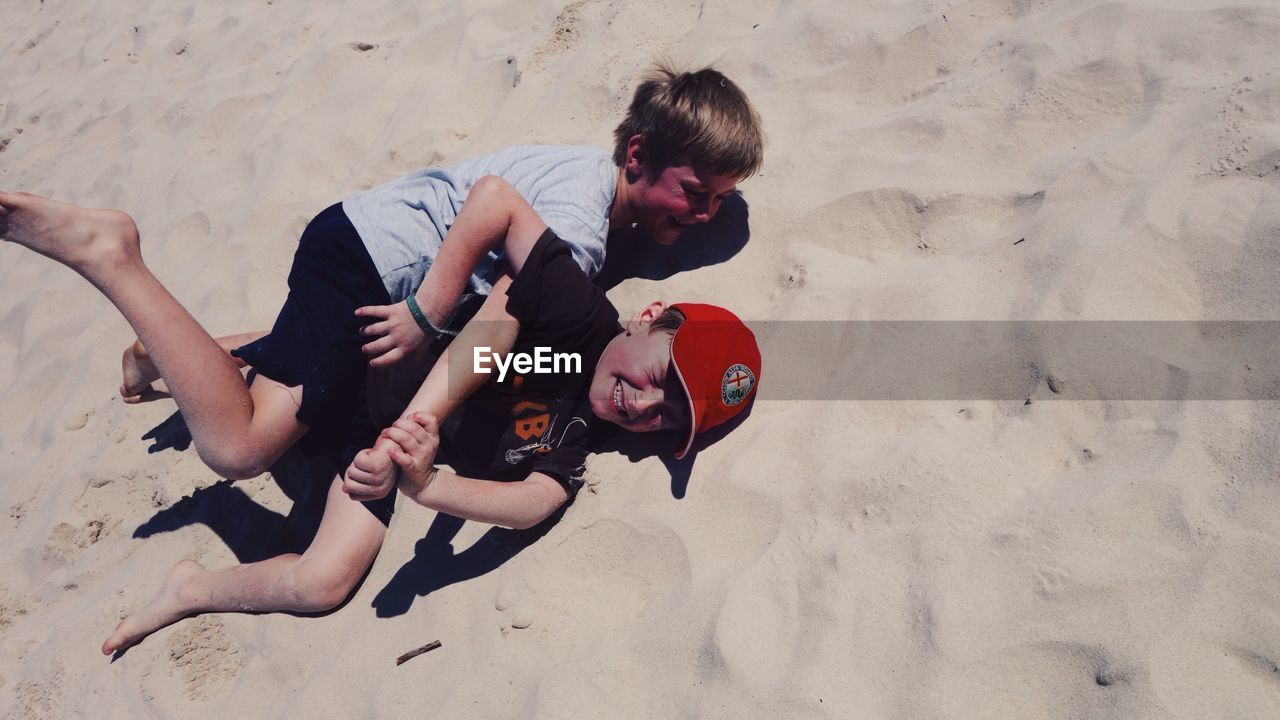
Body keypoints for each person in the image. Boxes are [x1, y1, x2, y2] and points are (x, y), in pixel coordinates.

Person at [0, 173, 762, 653]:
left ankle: (188, 588)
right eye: (662, 378)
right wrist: (429, 372)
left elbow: (533, 501)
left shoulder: (577, 433)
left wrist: (427, 483)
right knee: (236, 445)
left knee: (322, 584)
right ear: (650, 320)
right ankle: (113, 255)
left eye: (669, 420)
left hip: (372, 442)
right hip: (369, 350)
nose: (646, 404)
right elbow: (496, 203)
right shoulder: (577, 314)